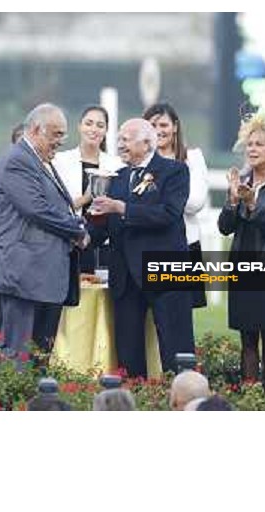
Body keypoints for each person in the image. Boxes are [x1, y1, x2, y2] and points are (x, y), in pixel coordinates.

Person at [89, 118, 194, 378]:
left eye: (125, 139)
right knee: (129, 354)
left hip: (165, 271)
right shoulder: (118, 177)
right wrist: (81, 234)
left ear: (147, 143)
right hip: (125, 278)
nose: (119, 144)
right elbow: (105, 226)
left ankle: (184, 402)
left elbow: (168, 213)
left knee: (176, 348)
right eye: (119, 139)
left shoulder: (175, 171)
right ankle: (135, 403)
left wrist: (121, 208)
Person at [0, 103, 88, 362]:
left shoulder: (40, 161)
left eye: (63, 135)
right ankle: (11, 404)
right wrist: (75, 230)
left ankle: (39, 403)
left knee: (39, 360)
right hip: (22, 275)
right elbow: (36, 210)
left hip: (43, 276)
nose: (61, 142)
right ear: (35, 130)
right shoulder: (17, 160)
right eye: (56, 134)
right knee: (16, 358)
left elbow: (55, 207)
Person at [219, 110, 265, 395]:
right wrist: (232, 199)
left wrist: (252, 205)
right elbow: (225, 227)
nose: (252, 149)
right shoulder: (242, 183)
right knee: (247, 337)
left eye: (259, 144)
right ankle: (251, 399)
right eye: (249, 144)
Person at [143, 103, 209, 307]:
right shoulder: (140, 161)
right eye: (152, 125)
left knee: (180, 318)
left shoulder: (193, 157)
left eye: (163, 124)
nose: (159, 130)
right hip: (148, 246)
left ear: (175, 127)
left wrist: (157, 194)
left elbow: (195, 203)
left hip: (185, 246)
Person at [53, 105, 123, 273]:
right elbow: (54, 207)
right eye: (89, 123)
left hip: (104, 245)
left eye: (100, 125)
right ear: (79, 126)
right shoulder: (60, 161)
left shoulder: (117, 165)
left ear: (106, 130)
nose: (94, 129)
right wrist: (86, 198)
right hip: (68, 242)